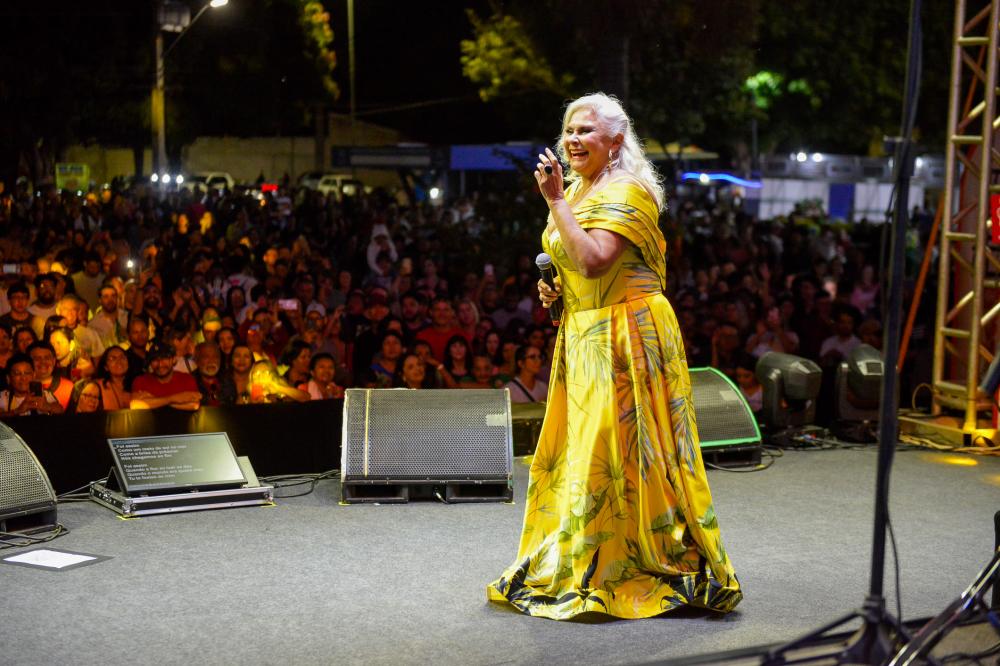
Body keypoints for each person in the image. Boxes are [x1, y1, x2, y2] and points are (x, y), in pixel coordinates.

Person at [488, 93, 741, 620]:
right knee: (588, 455)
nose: (573, 139)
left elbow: (598, 260)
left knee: (626, 452)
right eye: (568, 131)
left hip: (626, 333)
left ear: (616, 141)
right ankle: (593, 555)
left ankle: (638, 560)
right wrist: (558, 289)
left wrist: (556, 202)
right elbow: (574, 263)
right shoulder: (580, 188)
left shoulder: (628, 190)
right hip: (584, 334)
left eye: (585, 131)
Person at [130, 341, 202, 410]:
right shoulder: (141, 381)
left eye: (164, 358)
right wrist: (173, 399)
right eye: (155, 360)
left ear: (173, 359)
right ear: (150, 363)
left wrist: (154, 401)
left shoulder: (186, 379)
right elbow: (135, 405)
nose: (160, 364)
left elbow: (194, 405)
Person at [94, 345, 132, 411]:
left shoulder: (136, 384)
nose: (119, 361)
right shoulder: (97, 386)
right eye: (112, 359)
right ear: (106, 367)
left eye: (122, 357)